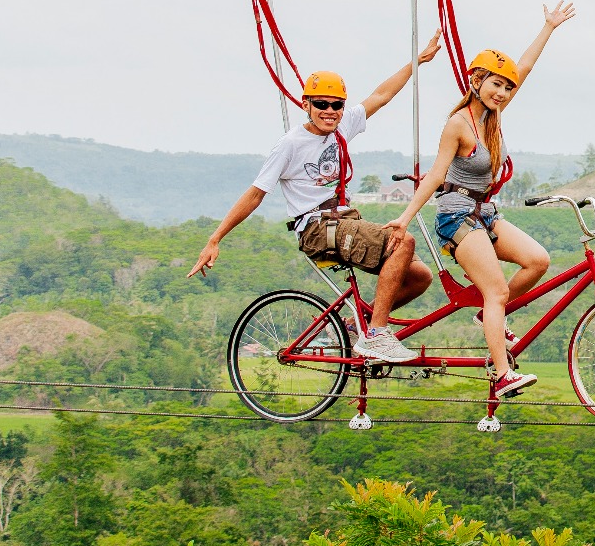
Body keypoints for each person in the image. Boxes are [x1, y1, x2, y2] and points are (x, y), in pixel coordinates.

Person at [189, 36, 443, 363]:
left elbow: (381, 95)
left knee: (420, 277)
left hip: (343, 219)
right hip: (317, 227)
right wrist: (215, 238)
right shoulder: (291, 144)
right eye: (321, 104)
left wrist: (416, 62)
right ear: (306, 105)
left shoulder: (342, 127)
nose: (330, 111)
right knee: (402, 241)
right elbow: (255, 194)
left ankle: (354, 326)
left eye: (336, 105)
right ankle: (377, 335)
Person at [391, 2, 575, 398]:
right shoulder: (458, 125)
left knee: (538, 260)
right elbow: (436, 176)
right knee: (497, 292)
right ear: (476, 80)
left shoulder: (495, 115)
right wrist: (404, 218)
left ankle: (489, 316)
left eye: (507, 88)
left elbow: (523, 67)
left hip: (486, 213)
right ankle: (503, 374)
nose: (503, 92)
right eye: (496, 84)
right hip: (456, 217)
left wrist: (548, 27)